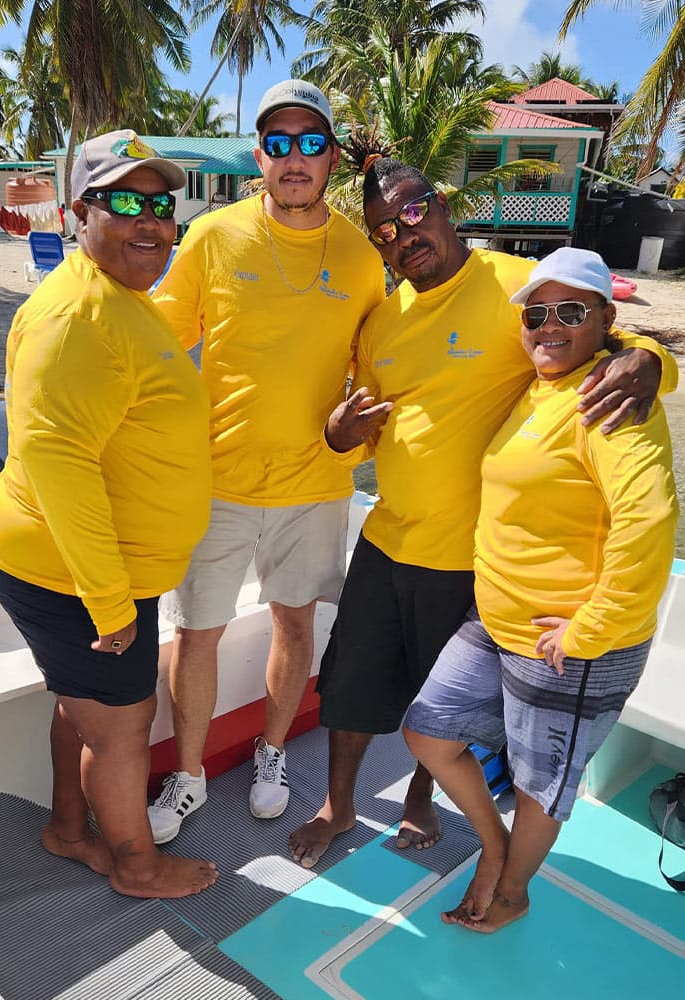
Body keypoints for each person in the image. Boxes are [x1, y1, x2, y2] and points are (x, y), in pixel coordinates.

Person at [289, 153, 679, 869]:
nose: (403, 235)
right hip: (387, 538)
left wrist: (652, 358)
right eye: (382, 231)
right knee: (349, 684)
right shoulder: (381, 322)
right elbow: (365, 432)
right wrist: (340, 438)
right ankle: (337, 805)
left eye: (411, 212)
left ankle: (416, 801)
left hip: (468, 556)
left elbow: (600, 341)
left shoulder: (512, 286)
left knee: (442, 709)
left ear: (440, 204)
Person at [402, 247, 678, 933]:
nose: (549, 325)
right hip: (497, 621)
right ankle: (492, 846)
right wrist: (654, 354)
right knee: (427, 731)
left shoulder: (611, 397)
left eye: (571, 311)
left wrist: (588, 631)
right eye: (536, 312)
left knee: (537, 784)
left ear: (605, 318)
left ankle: (513, 889)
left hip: (570, 639)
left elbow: (648, 528)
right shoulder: (543, 384)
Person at [0, 129, 218, 899]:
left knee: (83, 708)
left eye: (159, 204)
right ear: (82, 211)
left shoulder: (119, 296)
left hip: (98, 566)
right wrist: (110, 601)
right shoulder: (80, 318)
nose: (149, 220)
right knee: (121, 726)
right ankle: (137, 866)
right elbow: (58, 464)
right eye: (123, 202)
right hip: (74, 573)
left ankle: (68, 831)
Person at [147, 81, 385, 843]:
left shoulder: (360, 254)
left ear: (332, 159)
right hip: (215, 481)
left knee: (294, 623)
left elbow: (382, 362)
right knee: (197, 632)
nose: (294, 158)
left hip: (316, 484)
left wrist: (635, 349)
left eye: (310, 143)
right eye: (278, 143)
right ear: (259, 157)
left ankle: (272, 752)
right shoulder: (214, 236)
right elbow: (152, 337)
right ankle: (186, 775)